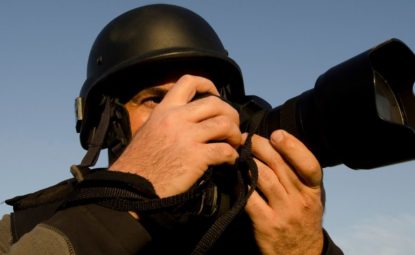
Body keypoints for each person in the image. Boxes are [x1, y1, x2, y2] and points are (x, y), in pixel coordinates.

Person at [0, 4, 343, 255]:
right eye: (156, 101)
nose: (182, 116)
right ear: (108, 125)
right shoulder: (26, 231)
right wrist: (124, 200)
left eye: (201, 98)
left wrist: (304, 250)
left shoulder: (264, 232)